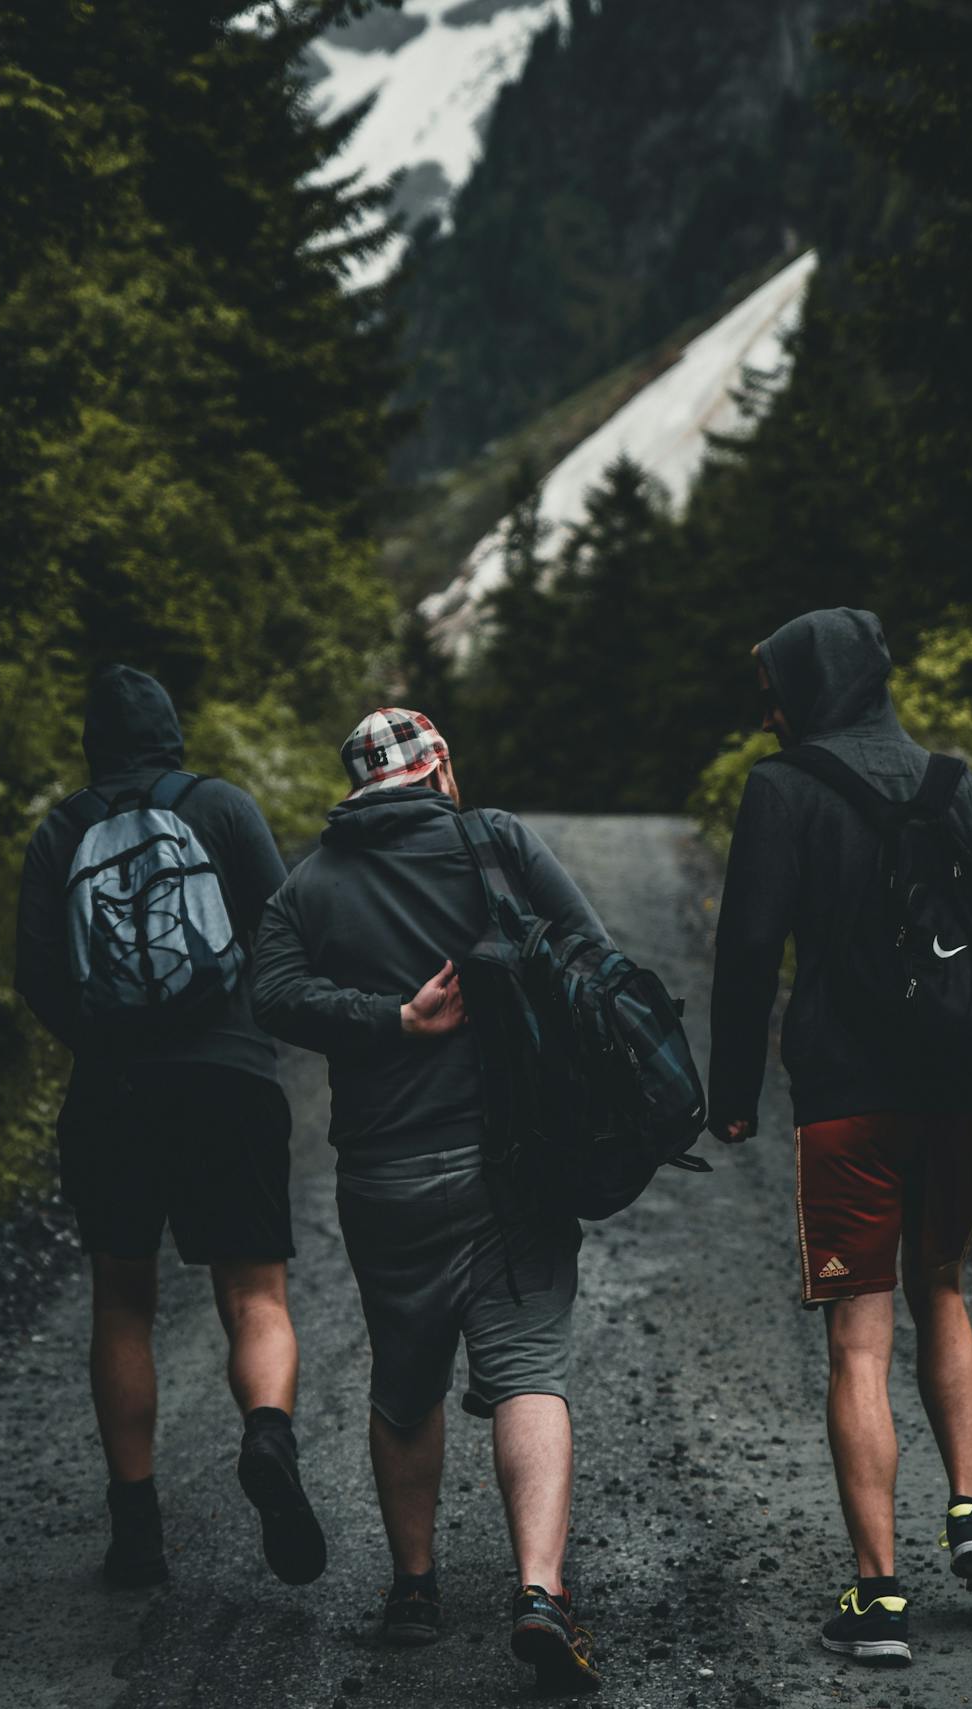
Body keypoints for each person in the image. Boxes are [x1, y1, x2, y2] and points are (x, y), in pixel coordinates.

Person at [705, 608, 972, 1667]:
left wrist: (731, 1092)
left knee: (857, 1336)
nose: (767, 711)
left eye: (773, 690)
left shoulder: (782, 789)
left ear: (809, 689)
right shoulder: (959, 785)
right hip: (963, 1088)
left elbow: (746, 947)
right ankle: (969, 1503)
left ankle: (879, 1596)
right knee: (944, 1282)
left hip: (848, 1097)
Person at [251, 707, 608, 1695]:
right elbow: (590, 956)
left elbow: (266, 993)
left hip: (383, 1177)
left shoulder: (312, 880)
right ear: (437, 762)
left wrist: (387, 1019)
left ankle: (412, 1587)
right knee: (529, 1365)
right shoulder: (494, 842)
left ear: (359, 784)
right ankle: (539, 1589)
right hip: (510, 1162)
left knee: (404, 1383)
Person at [15, 664, 325, 1591]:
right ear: (173, 733)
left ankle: (137, 1530)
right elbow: (286, 938)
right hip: (227, 1082)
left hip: (113, 1093)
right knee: (255, 1293)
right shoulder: (222, 808)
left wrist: (105, 1040)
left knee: (123, 1301)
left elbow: (37, 976)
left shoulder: (60, 829)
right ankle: (267, 1435)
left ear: (92, 743)